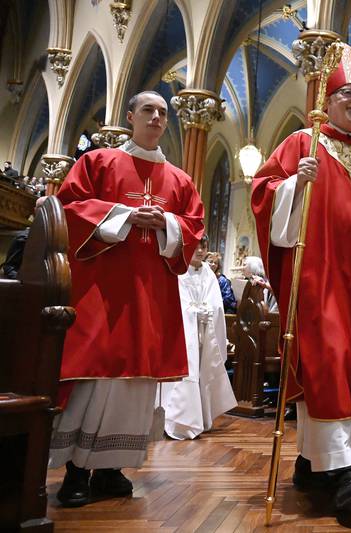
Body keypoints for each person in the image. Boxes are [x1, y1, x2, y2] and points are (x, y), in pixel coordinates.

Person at [250, 44, 351, 511]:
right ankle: (343, 469)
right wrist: (296, 181)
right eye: (347, 94)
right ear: (327, 100)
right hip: (317, 282)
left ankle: (315, 461)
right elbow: (262, 193)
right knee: (327, 361)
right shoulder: (303, 142)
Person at [50, 90, 204, 507]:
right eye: (148, 110)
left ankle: (112, 468)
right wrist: (121, 215)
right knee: (97, 378)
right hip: (104, 292)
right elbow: (67, 207)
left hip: (152, 295)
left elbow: (194, 227)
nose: (156, 117)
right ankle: (77, 471)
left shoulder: (180, 179)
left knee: (137, 385)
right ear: (130, 116)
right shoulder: (98, 162)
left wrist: (167, 222)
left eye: (163, 113)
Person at [161, 236, 237, 440]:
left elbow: (217, 303)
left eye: (203, 247)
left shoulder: (208, 273)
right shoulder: (179, 270)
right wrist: (193, 312)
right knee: (187, 369)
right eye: (196, 247)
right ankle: (177, 419)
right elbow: (176, 301)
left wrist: (207, 311)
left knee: (203, 370)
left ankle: (201, 417)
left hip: (205, 329)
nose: (200, 251)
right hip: (184, 329)